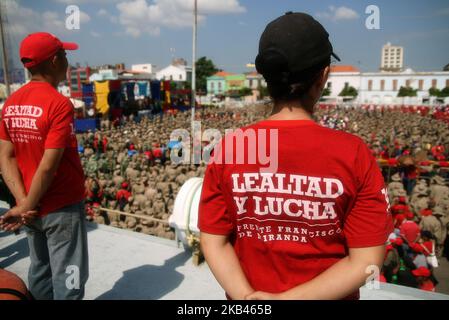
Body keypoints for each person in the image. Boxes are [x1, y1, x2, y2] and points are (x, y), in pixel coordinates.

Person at [198, 12, 393, 300]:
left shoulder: (230, 148)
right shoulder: (354, 154)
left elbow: (213, 242)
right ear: (323, 76)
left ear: (266, 79)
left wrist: (248, 299)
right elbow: (367, 263)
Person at [0, 32, 88, 300]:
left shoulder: (10, 104)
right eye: (64, 55)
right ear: (53, 61)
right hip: (60, 205)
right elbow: (49, 165)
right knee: (69, 276)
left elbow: (6, 156)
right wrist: (26, 206)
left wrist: (23, 202)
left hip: (29, 203)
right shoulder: (59, 104)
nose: (67, 61)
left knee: (39, 270)